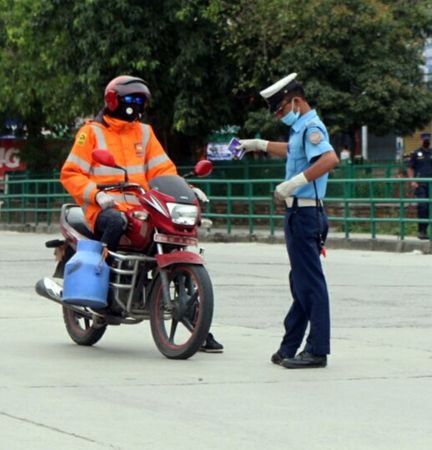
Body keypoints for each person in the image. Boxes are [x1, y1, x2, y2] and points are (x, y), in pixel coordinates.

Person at [60, 75, 223, 353]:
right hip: (103, 208)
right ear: (113, 100)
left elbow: (163, 170)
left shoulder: (144, 133)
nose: (136, 106)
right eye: (131, 100)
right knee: (116, 221)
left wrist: (187, 188)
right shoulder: (91, 132)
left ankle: (198, 324)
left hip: (142, 207)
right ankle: (102, 290)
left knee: (172, 238)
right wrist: (96, 194)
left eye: (140, 101)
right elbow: (70, 173)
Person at [236, 73, 339, 369]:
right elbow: (293, 151)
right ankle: (290, 345)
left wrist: (294, 183)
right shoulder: (300, 130)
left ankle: (317, 350)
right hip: (298, 213)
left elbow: (329, 159)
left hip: (306, 212)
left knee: (310, 285)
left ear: (296, 100)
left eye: (280, 109)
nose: (279, 115)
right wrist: (259, 144)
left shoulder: (312, 126)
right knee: (301, 282)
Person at [407, 132, 432, 239]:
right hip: (420, 183)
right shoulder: (416, 153)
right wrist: (412, 181)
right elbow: (410, 168)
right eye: (424, 140)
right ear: (421, 140)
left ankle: (425, 230)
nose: (426, 141)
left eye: (428, 140)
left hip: (431, 183)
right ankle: (420, 230)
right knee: (422, 206)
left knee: (430, 207)